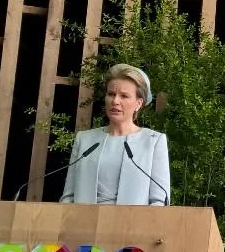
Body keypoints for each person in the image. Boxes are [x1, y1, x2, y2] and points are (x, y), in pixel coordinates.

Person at [60, 64, 170, 206]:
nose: (115, 101)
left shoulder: (153, 141)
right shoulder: (84, 139)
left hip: (133, 226)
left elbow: (159, 201)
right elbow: (68, 197)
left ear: (138, 103)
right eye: (111, 94)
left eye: (124, 96)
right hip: (83, 225)